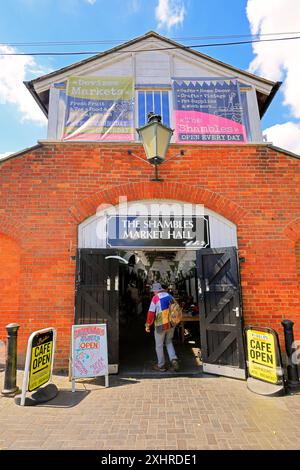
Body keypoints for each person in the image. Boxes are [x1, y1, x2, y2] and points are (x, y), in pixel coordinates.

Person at [145, 282, 179, 372]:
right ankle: (173, 359)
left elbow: (151, 313)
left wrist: (148, 324)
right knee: (168, 341)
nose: (153, 293)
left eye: (153, 292)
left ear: (155, 291)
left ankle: (161, 365)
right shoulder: (169, 296)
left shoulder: (155, 298)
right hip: (171, 324)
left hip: (161, 325)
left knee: (159, 345)